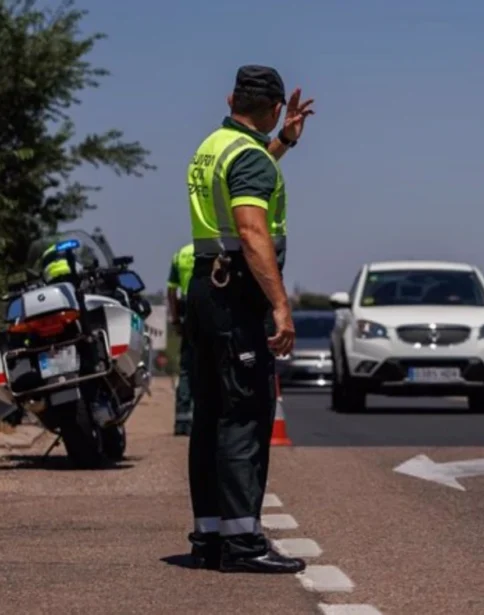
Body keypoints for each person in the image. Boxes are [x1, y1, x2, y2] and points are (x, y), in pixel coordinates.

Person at [184, 65, 314, 573]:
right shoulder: (249, 160)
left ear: (230, 97)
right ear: (276, 106)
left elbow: (244, 177)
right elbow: (251, 231)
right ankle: (243, 545)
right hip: (237, 296)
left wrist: (283, 142)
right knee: (245, 417)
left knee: (212, 417)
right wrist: (280, 305)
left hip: (205, 290)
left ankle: (211, 538)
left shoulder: (215, 145)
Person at [167, 241, 195, 436]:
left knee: (186, 368)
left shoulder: (181, 254)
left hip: (187, 311)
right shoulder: (215, 250)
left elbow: (171, 291)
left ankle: (182, 421)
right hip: (209, 309)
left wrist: (175, 319)